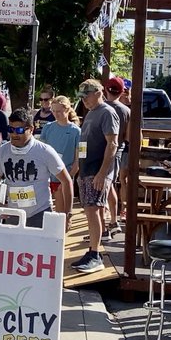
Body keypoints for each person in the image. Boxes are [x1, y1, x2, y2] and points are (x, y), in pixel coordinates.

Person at [0, 109, 73, 227]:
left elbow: (66, 181)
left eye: (19, 130)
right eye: (11, 129)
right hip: (13, 215)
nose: (14, 134)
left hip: (40, 214)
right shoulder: (2, 151)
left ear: (31, 129)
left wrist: (67, 214)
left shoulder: (45, 151)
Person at [72, 79, 118, 273]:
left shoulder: (107, 112)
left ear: (99, 93)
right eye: (82, 97)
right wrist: (78, 169)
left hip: (97, 170)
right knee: (91, 210)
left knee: (93, 209)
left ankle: (95, 254)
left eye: (87, 96)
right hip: (86, 169)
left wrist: (102, 173)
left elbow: (112, 144)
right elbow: (83, 144)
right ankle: (92, 250)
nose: (84, 100)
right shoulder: (91, 113)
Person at [38, 96, 80, 218]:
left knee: (62, 214)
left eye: (59, 111)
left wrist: (68, 178)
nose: (56, 114)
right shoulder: (48, 127)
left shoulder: (77, 131)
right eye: (54, 111)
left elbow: (79, 160)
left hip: (64, 176)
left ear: (67, 110)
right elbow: (41, 152)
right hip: (47, 177)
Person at [103, 77, 132, 233]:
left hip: (100, 152)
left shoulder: (100, 108)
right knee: (109, 185)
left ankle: (103, 227)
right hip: (118, 151)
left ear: (105, 90)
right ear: (122, 92)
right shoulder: (127, 111)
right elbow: (129, 137)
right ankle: (113, 221)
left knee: (102, 188)